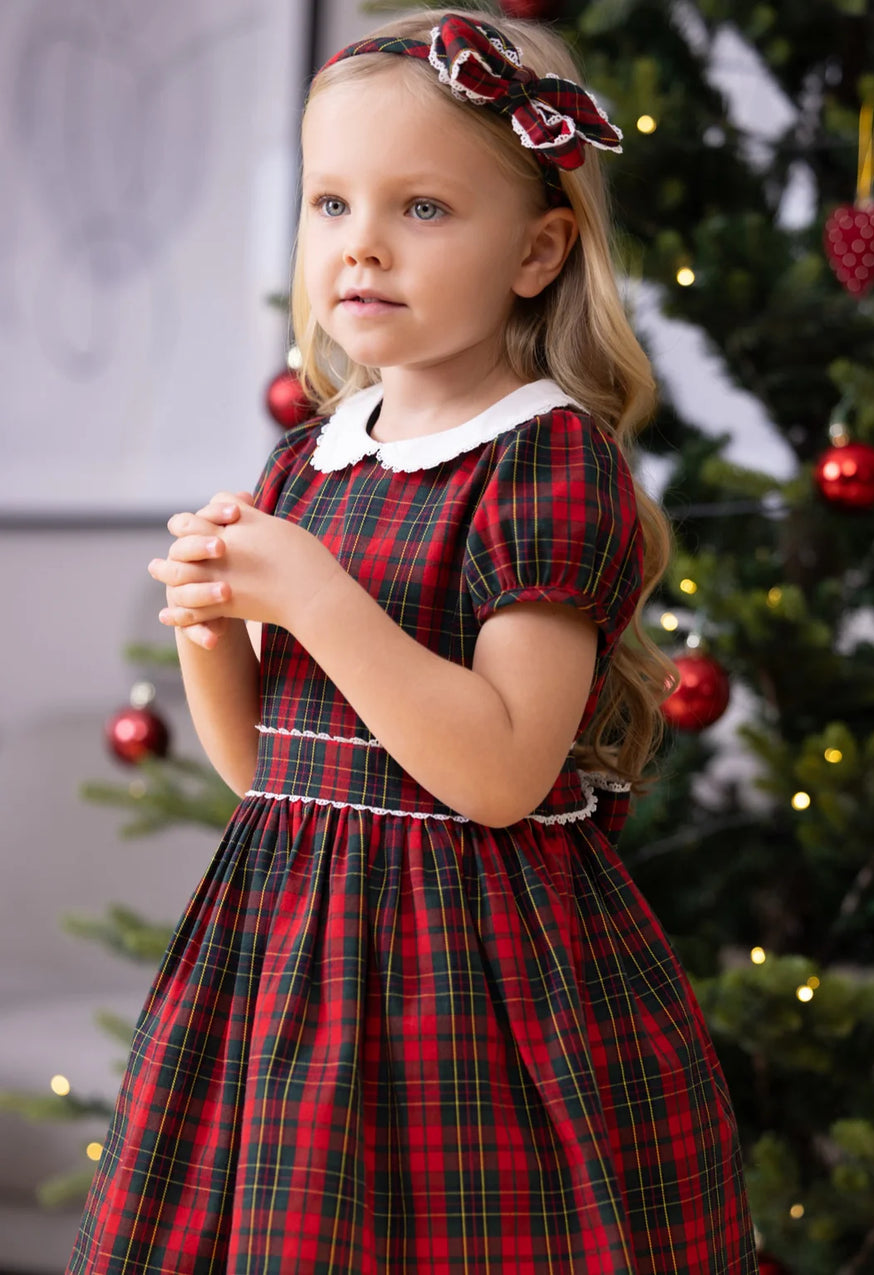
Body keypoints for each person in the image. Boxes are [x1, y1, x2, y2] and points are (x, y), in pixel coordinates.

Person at [68, 7, 758, 1272]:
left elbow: (496, 772)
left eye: (422, 210)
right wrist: (214, 628)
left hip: (471, 980)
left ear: (539, 251)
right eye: (330, 205)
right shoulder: (312, 457)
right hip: (288, 958)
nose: (363, 247)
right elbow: (256, 771)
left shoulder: (546, 466)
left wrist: (316, 597)